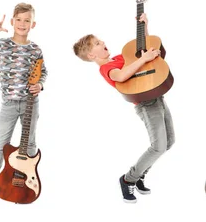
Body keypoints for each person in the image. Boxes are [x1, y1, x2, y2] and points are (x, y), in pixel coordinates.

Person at [72, 13, 175, 203]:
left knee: (169, 143)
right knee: (158, 146)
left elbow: (142, 51)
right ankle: (128, 179)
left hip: (157, 97)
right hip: (146, 104)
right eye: (97, 43)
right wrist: (144, 60)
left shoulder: (120, 57)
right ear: (91, 55)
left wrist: (144, 27)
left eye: (100, 40)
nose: (103, 42)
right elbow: (121, 76)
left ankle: (140, 174)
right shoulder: (106, 68)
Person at [0, 2, 48, 201]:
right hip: (9, 104)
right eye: (19, 20)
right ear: (12, 22)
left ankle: (28, 182)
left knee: (30, 144)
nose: (22, 23)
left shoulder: (35, 49)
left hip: (31, 103)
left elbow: (43, 72)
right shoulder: (3, 44)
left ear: (33, 24)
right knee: (1, 143)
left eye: (27, 20)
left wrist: (41, 85)